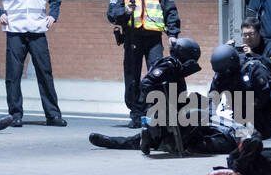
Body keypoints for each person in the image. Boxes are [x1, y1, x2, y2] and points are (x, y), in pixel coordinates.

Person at [91, 38, 239, 155]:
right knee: (199, 115)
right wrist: (165, 108)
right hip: (165, 114)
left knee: (199, 101)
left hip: (170, 112)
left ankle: (116, 141)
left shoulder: (175, 67)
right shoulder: (169, 64)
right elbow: (147, 83)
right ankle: (166, 141)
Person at [108, 0, 180, 127]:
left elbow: (171, 11)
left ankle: (153, 113)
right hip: (132, 37)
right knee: (132, 77)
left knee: (156, 75)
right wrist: (125, 11)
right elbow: (111, 15)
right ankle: (136, 113)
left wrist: (173, 34)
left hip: (154, 38)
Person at [209, 41, 271, 147]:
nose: (223, 74)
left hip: (264, 101)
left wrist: (254, 115)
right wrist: (208, 117)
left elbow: (263, 95)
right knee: (248, 141)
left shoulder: (253, 68)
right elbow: (213, 97)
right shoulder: (221, 74)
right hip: (243, 104)